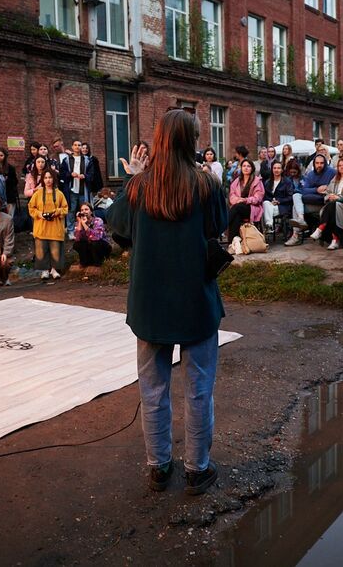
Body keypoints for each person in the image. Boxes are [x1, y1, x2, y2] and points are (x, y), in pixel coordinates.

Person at [107, 109, 226, 496]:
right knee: (199, 390)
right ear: (190, 140)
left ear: (158, 140)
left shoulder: (140, 187)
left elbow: (119, 230)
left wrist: (134, 176)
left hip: (150, 305)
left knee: (152, 389)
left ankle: (158, 468)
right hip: (196, 303)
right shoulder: (206, 185)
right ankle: (197, 470)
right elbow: (219, 226)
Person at [310, 157, 343, 249]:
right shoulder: (335, 179)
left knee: (334, 205)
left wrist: (339, 198)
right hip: (333, 206)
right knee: (333, 206)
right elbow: (327, 192)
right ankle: (334, 240)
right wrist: (329, 196)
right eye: (339, 166)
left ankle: (321, 228)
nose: (341, 167)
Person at [27, 168, 68, 280]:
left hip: (55, 226)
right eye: (45, 178)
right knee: (41, 249)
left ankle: (54, 269)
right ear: (42, 180)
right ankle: (44, 270)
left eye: (50, 177)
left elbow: (65, 209)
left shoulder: (59, 194)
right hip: (41, 226)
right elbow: (31, 207)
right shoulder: (38, 193)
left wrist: (57, 212)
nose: (48, 180)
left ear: (53, 179)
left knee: (55, 250)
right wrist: (40, 214)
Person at [63, 140, 96, 237]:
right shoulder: (67, 160)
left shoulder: (87, 160)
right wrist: (70, 174)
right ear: (72, 147)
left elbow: (92, 174)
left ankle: (87, 229)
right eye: (75, 145)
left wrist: (84, 176)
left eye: (79, 145)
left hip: (83, 190)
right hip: (72, 189)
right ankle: (70, 231)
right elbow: (62, 173)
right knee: (71, 210)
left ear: (82, 147)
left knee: (85, 210)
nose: (77, 147)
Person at [226, 158, 264, 243]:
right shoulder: (236, 181)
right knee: (236, 216)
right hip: (238, 208)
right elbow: (231, 196)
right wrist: (238, 200)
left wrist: (245, 200)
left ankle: (223, 225)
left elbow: (258, 198)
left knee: (236, 208)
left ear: (252, 168)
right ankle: (232, 244)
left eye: (248, 166)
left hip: (252, 208)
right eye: (244, 166)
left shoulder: (257, 181)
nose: (246, 168)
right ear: (241, 168)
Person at [72, 201, 111, 269]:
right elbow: (77, 239)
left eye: (86, 209)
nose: (84, 211)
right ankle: (84, 262)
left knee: (94, 243)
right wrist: (80, 223)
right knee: (77, 244)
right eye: (82, 210)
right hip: (90, 246)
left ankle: (98, 263)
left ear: (91, 212)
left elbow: (95, 237)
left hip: (101, 246)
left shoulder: (98, 220)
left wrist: (84, 224)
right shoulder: (79, 222)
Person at [298, 153, 337, 219]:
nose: (319, 165)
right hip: (313, 198)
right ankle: (299, 225)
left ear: (325, 163)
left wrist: (327, 187)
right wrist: (316, 190)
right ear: (314, 164)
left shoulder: (332, 172)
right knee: (297, 197)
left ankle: (299, 225)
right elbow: (304, 190)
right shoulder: (311, 174)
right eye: (317, 163)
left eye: (321, 163)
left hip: (326, 199)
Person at [261, 159, 294, 233]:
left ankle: (268, 226)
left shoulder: (287, 182)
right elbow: (265, 196)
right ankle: (269, 224)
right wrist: (271, 201)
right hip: (270, 206)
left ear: (282, 170)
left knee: (265, 209)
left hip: (282, 207)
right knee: (265, 203)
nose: (276, 170)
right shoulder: (268, 182)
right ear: (272, 169)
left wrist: (279, 201)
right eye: (274, 168)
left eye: (279, 168)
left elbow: (290, 197)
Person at [283, 159, 308, 246]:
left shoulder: (304, 179)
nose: (293, 174)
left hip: (302, 201)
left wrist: (296, 191)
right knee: (294, 206)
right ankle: (297, 229)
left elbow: (305, 190)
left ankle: (295, 236)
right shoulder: (287, 180)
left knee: (296, 196)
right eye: (291, 172)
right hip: (291, 203)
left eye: (295, 172)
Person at [0, 147, 19, 215]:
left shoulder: (10, 168)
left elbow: (15, 181)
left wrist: (7, 180)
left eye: (1, 155)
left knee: (9, 218)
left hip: (9, 197)